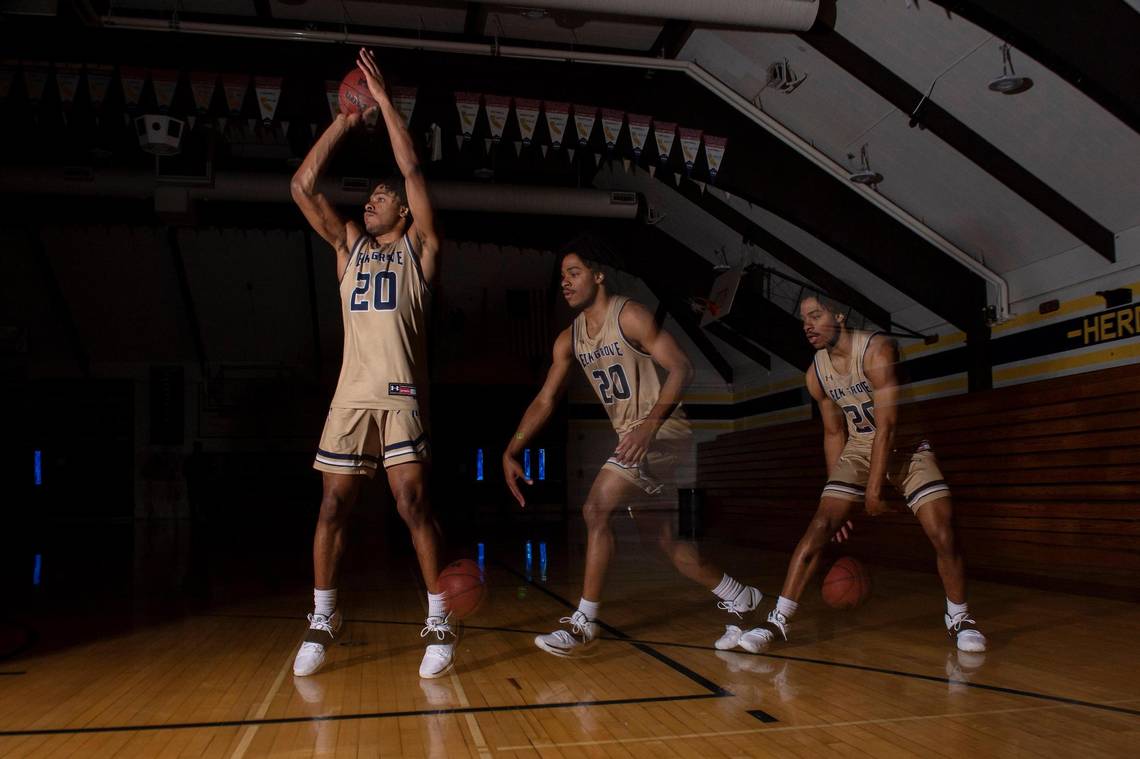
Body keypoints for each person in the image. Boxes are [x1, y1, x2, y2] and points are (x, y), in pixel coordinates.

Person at [504, 250, 762, 657]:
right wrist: (511, 449)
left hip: (663, 432)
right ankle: (739, 595)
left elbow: (682, 369)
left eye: (575, 273)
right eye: (563, 276)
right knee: (662, 541)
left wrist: (649, 425)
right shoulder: (568, 338)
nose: (566, 282)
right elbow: (545, 400)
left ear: (599, 275)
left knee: (594, 510)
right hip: (634, 438)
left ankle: (584, 623)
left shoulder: (630, 316)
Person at [289, 48, 454, 679]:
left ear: (406, 213)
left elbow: (411, 169)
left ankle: (439, 619)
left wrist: (383, 104)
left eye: (385, 196)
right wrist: (343, 119)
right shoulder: (349, 247)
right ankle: (322, 618)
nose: (374, 199)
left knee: (412, 502)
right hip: (351, 395)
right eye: (373, 194)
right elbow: (301, 187)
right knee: (332, 506)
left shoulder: (419, 248)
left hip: (401, 391)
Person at [735, 293, 985, 654]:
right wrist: (835, 494)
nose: (808, 324)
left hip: (907, 447)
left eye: (815, 315)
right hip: (857, 448)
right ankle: (777, 620)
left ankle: (960, 618)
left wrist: (871, 490)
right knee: (821, 525)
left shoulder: (877, 350)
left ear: (839, 315)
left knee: (943, 531)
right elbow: (834, 433)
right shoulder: (815, 373)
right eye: (803, 319)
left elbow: (888, 427)